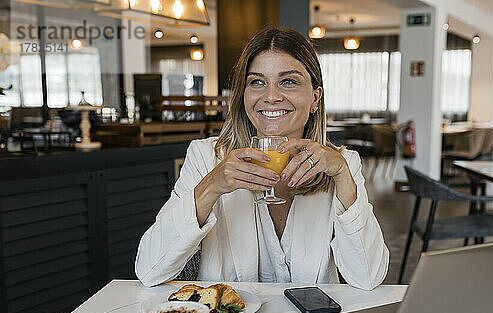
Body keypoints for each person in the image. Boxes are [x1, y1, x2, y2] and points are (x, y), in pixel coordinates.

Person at [135, 27, 389, 290]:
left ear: (315, 98)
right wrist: (212, 186)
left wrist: (342, 177)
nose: (270, 96)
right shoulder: (206, 157)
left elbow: (368, 278)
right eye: (257, 82)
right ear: (244, 96)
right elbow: (149, 269)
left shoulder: (343, 165)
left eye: (288, 81)